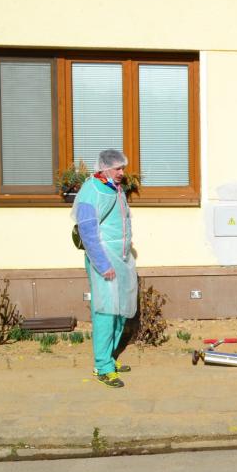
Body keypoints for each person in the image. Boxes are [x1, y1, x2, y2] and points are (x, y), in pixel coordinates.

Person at [72, 148, 138, 388]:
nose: (122, 173)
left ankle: (109, 358)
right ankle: (102, 366)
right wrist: (102, 265)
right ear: (104, 168)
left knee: (120, 309)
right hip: (105, 259)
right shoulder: (91, 190)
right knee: (106, 311)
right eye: (117, 168)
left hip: (121, 257)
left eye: (123, 168)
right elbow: (88, 232)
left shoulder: (114, 187)